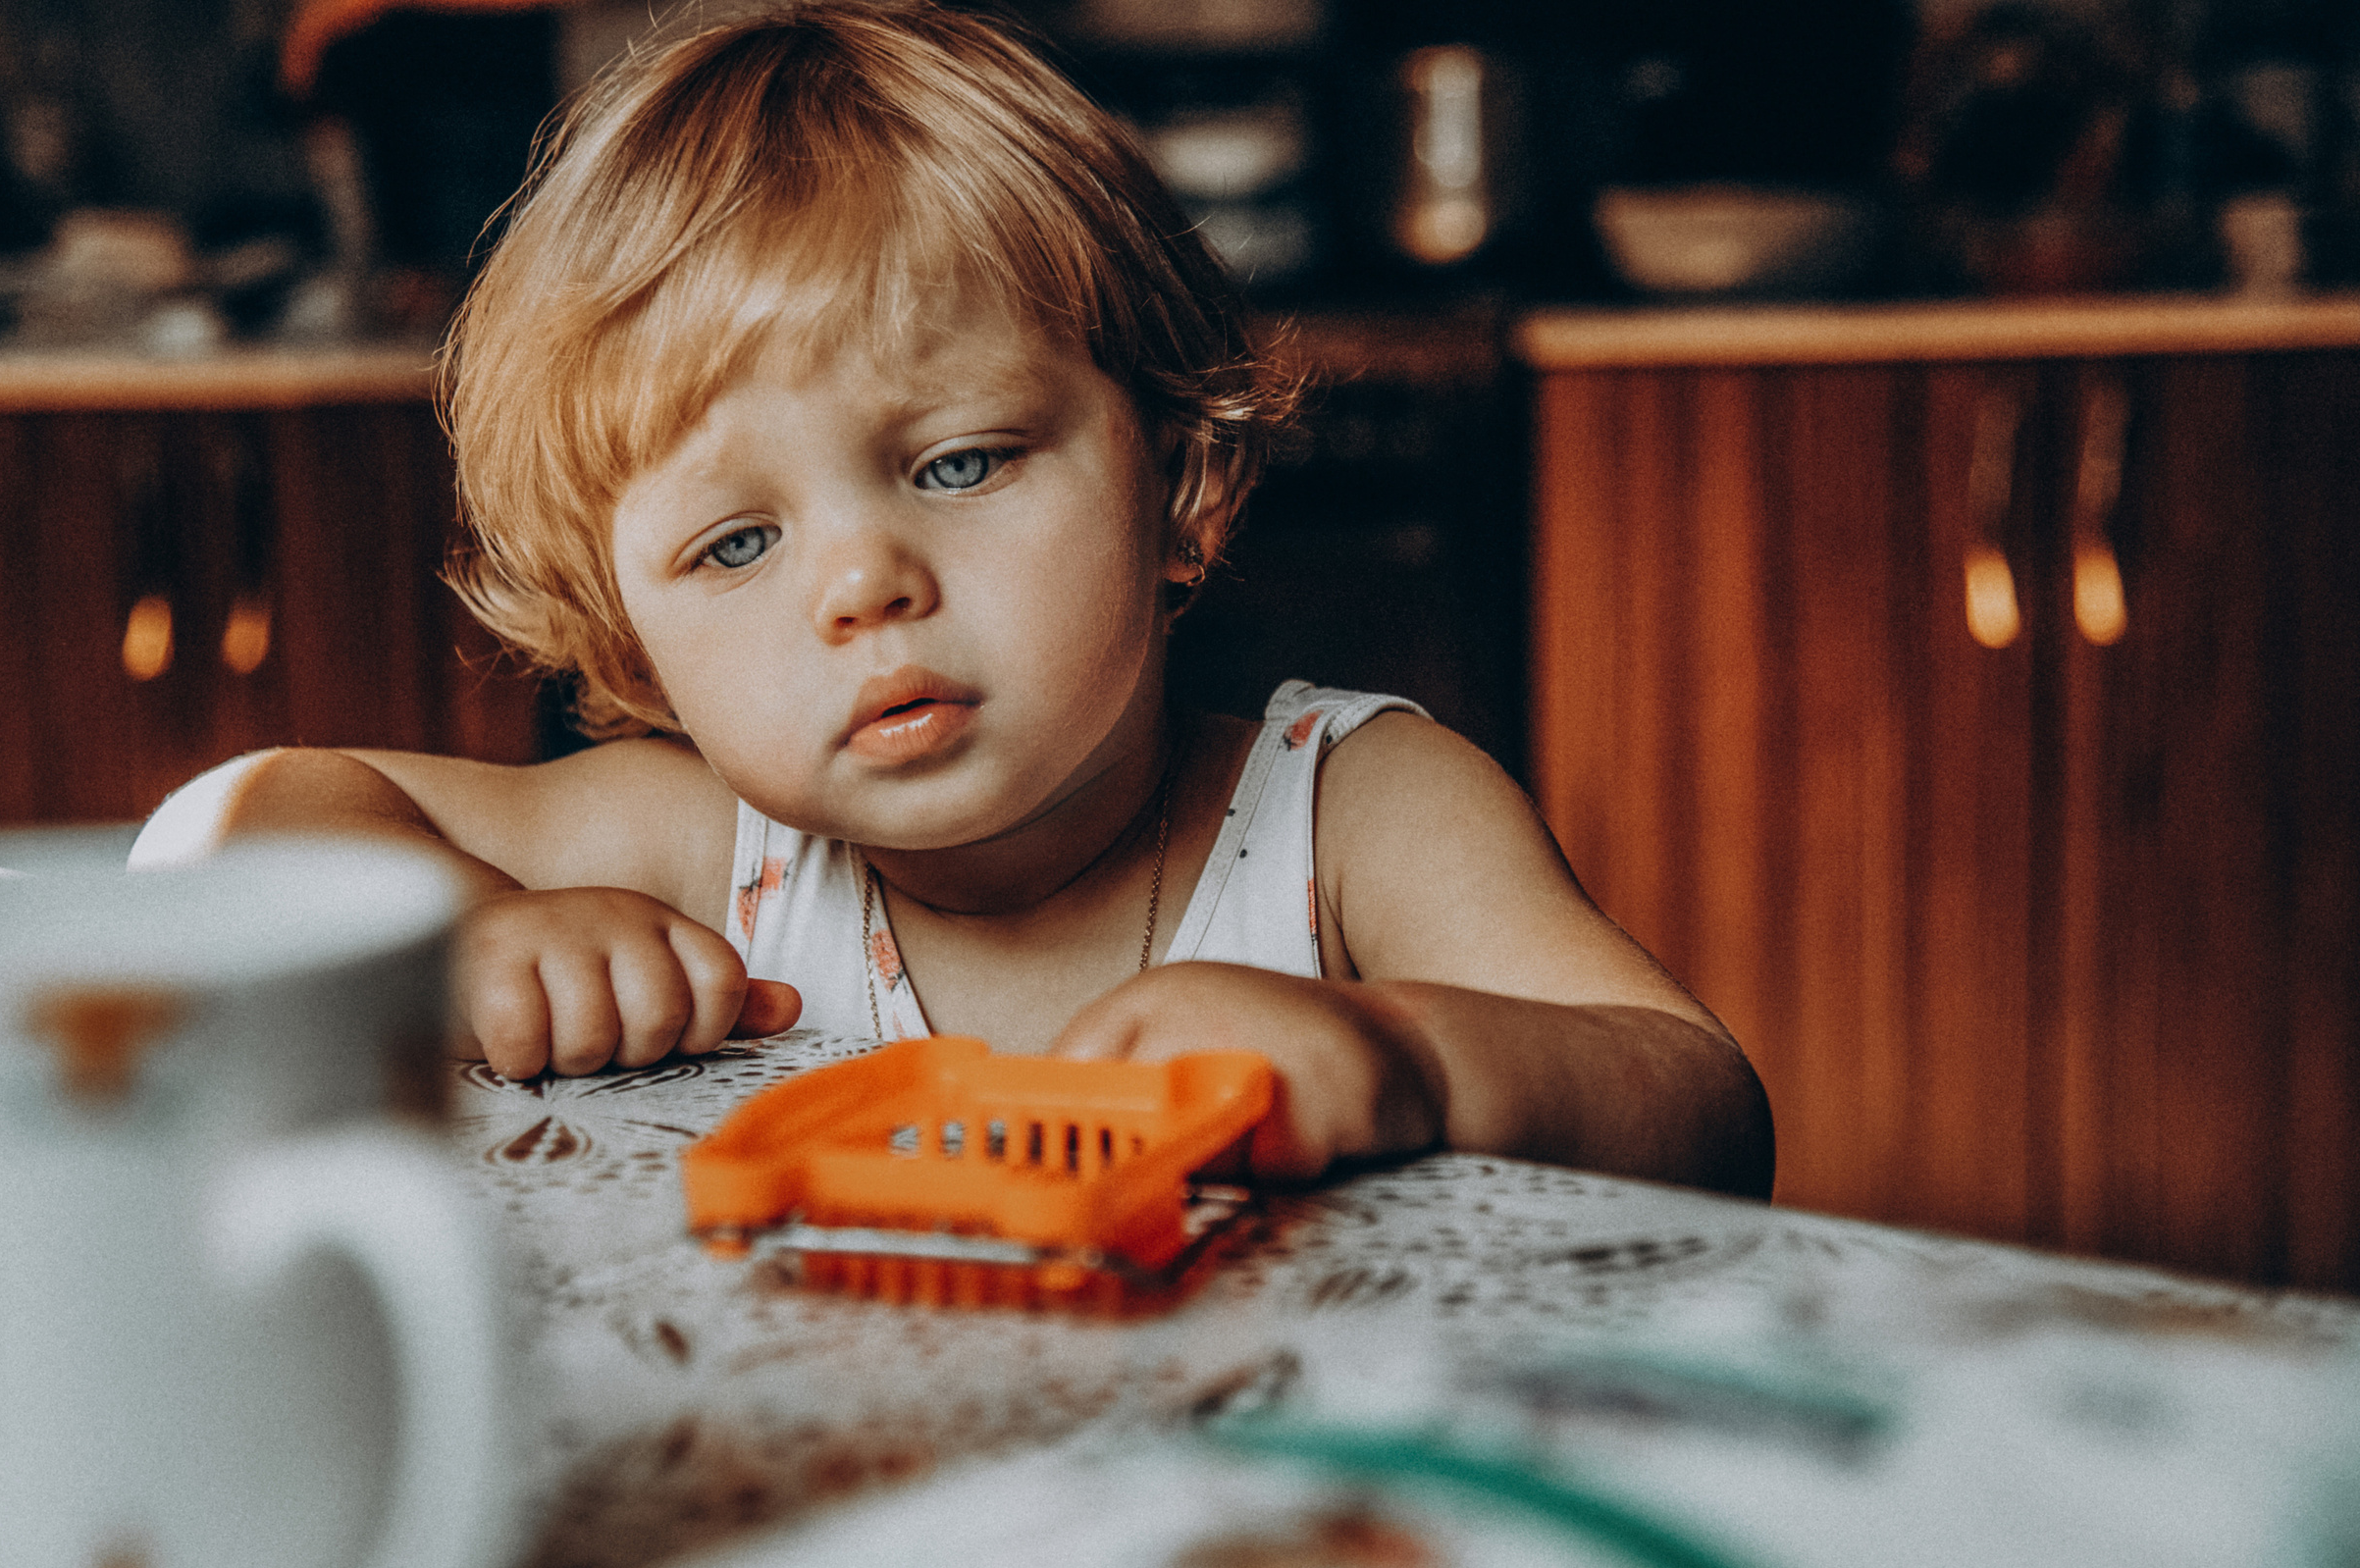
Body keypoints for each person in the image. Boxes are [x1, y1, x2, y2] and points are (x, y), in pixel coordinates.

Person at [137, 0, 1772, 1196]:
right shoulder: (712, 853)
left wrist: (1410, 1058)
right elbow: (229, 822)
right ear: (633, 648)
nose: (863, 584)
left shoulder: (1358, 814)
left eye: (964, 463)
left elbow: (1703, 1105)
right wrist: (480, 934)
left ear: (1182, 483)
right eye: (734, 545)